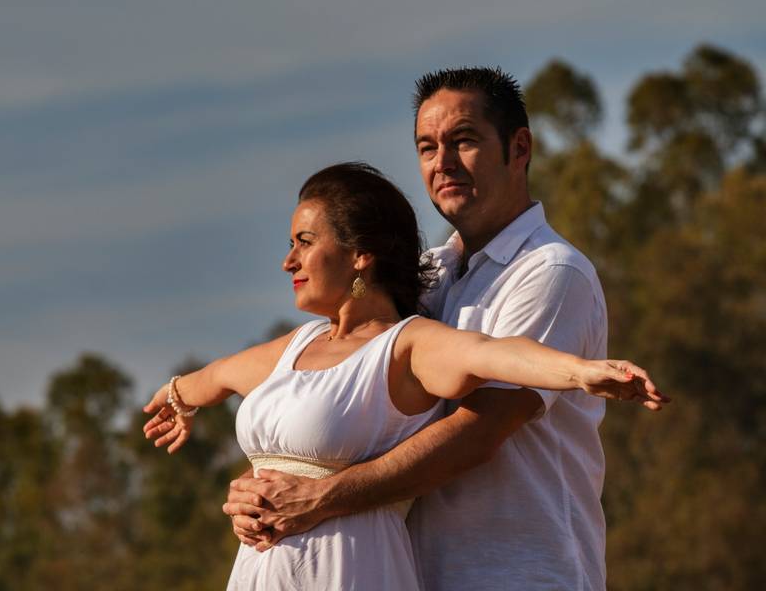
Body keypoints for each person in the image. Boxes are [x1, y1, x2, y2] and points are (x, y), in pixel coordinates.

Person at [143, 163, 667, 590]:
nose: (288, 261)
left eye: (304, 242)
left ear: (361, 254)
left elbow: (495, 354)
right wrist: (179, 399)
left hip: (351, 569)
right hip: (260, 572)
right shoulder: (296, 345)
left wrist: (579, 371)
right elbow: (213, 378)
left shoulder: (406, 345)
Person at [223, 68, 623, 590]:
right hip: (413, 571)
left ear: (519, 147)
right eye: (428, 147)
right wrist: (260, 490)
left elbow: (481, 431)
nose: (443, 163)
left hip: (523, 571)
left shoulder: (551, 272)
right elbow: (340, 402)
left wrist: (320, 497)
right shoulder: (427, 274)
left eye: (464, 141)